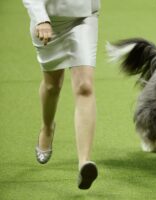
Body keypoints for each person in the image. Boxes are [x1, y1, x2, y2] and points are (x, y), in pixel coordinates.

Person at [22, 0, 100, 190]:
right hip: (48, 19)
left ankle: (84, 163)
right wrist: (40, 18)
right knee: (52, 86)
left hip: (84, 16)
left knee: (85, 86)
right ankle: (47, 128)